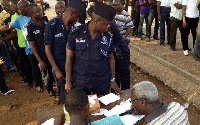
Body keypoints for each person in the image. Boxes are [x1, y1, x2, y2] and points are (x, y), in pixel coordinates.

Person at [65, 2, 121, 95]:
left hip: (101, 81)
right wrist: (68, 81)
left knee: (102, 107)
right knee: (83, 106)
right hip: (81, 80)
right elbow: (69, 58)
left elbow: (111, 59)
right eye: (105, 24)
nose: (108, 27)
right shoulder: (76, 33)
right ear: (96, 20)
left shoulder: (108, 36)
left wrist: (113, 80)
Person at [45, 0, 86, 104]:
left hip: (75, 67)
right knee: (64, 95)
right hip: (59, 67)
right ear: (72, 13)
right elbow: (48, 49)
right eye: (77, 16)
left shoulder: (76, 27)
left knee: (77, 95)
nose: (77, 19)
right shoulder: (52, 25)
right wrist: (56, 69)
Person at [25, 3, 56, 96]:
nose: (40, 12)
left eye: (40, 10)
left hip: (51, 52)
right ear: (31, 14)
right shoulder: (29, 27)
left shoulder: (45, 20)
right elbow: (32, 45)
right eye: (37, 12)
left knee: (54, 70)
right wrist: (40, 61)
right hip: (42, 55)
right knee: (46, 74)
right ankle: (50, 90)